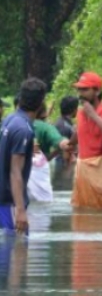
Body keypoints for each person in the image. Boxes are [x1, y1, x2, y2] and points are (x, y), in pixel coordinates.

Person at [0, 78, 47, 235]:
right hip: (10, 201)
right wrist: (20, 210)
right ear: (41, 104)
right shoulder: (23, 130)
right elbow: (15, 172)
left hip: (4, 200)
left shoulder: (10, 119)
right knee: (17, 251)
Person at [72, 72, 102, 211]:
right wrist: (67, 144)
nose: (80, 93)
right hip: (82, 169)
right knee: (80, 211)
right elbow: (80, 134)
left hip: (100, 169)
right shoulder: (80, 113)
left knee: (101, 211)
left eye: (85, 90)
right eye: (79, 89)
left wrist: (93, 114)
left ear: (97, 91)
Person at [28, 103, 72, 203]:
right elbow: (60, 141)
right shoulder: (46, 128)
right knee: (42, 203)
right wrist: (65, 145)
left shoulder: (13, 123)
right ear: (43, 113)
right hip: (38, 174)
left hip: (16, 170)